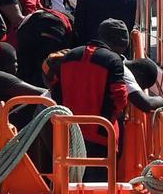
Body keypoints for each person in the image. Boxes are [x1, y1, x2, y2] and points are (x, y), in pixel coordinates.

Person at [48, 20, 129, 174]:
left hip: (69, 133)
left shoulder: (69, 56)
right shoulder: (114, 60)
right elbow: (119, 95)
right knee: (99, 186)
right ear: (120, 43)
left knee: (69, 179)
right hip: (102, 135)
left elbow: (55, 87)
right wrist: (117, 114)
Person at [97, 19, 163, 113]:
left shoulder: (77, 54)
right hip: (99, 124)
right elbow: (146, 104)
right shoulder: (119, 69)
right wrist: (162, 100)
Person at [15, 6, 77, 88]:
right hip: (53, 25)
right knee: (47, 66)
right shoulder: (77, 28)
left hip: (31, 22)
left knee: (25, 66)